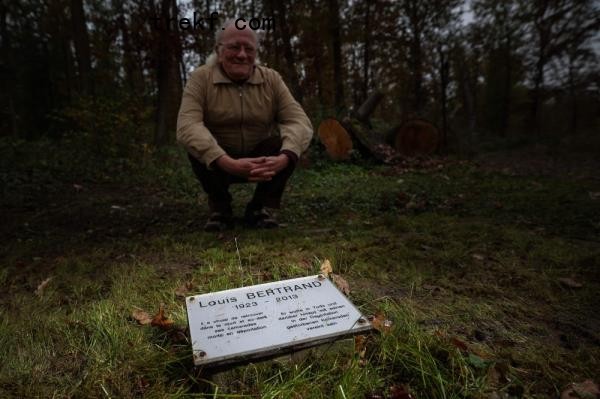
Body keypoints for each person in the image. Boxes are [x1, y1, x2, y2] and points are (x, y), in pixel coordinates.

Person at [177, 19, 313, 231]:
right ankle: (220, 208)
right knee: (196, 145)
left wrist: (285, 157)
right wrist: (224, 160)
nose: (242, 55)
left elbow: (298, 121)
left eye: (248, 48)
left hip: (261, 159)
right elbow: (187, 125)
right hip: (220, 160)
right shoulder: (200, 78)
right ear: (218, 50)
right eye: (234, 47)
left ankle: (260, 208)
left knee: (288, 145)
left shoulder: (272, 79)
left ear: (255, 53)